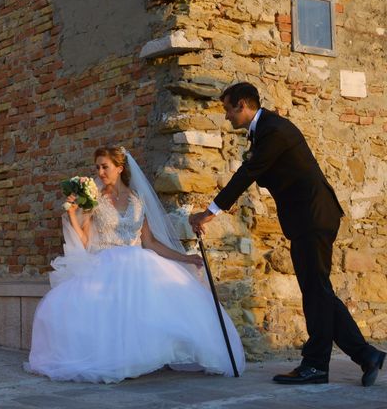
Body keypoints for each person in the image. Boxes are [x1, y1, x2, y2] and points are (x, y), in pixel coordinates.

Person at [189, 82, 385, 386]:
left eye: (228, 109)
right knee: (318, 291)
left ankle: (317, 365)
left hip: (312, 217)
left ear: (242, 105)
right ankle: (366, 355)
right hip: (309, 218)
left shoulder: (273, 130)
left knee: (316, 292)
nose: (226, 116)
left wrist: (209, 212)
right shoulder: (266, 128)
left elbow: (247, 174)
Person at [25, 146, 246, 383]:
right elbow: (85, 240)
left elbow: (149, 242)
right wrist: (71, 213)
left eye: (105, 166)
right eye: (97, 167)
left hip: (139, 261)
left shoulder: (138, 199)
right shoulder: (94, 199)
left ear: (119, 168)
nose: (100, 172)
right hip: (105, 261)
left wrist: (185, 258)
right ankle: (118, 361)